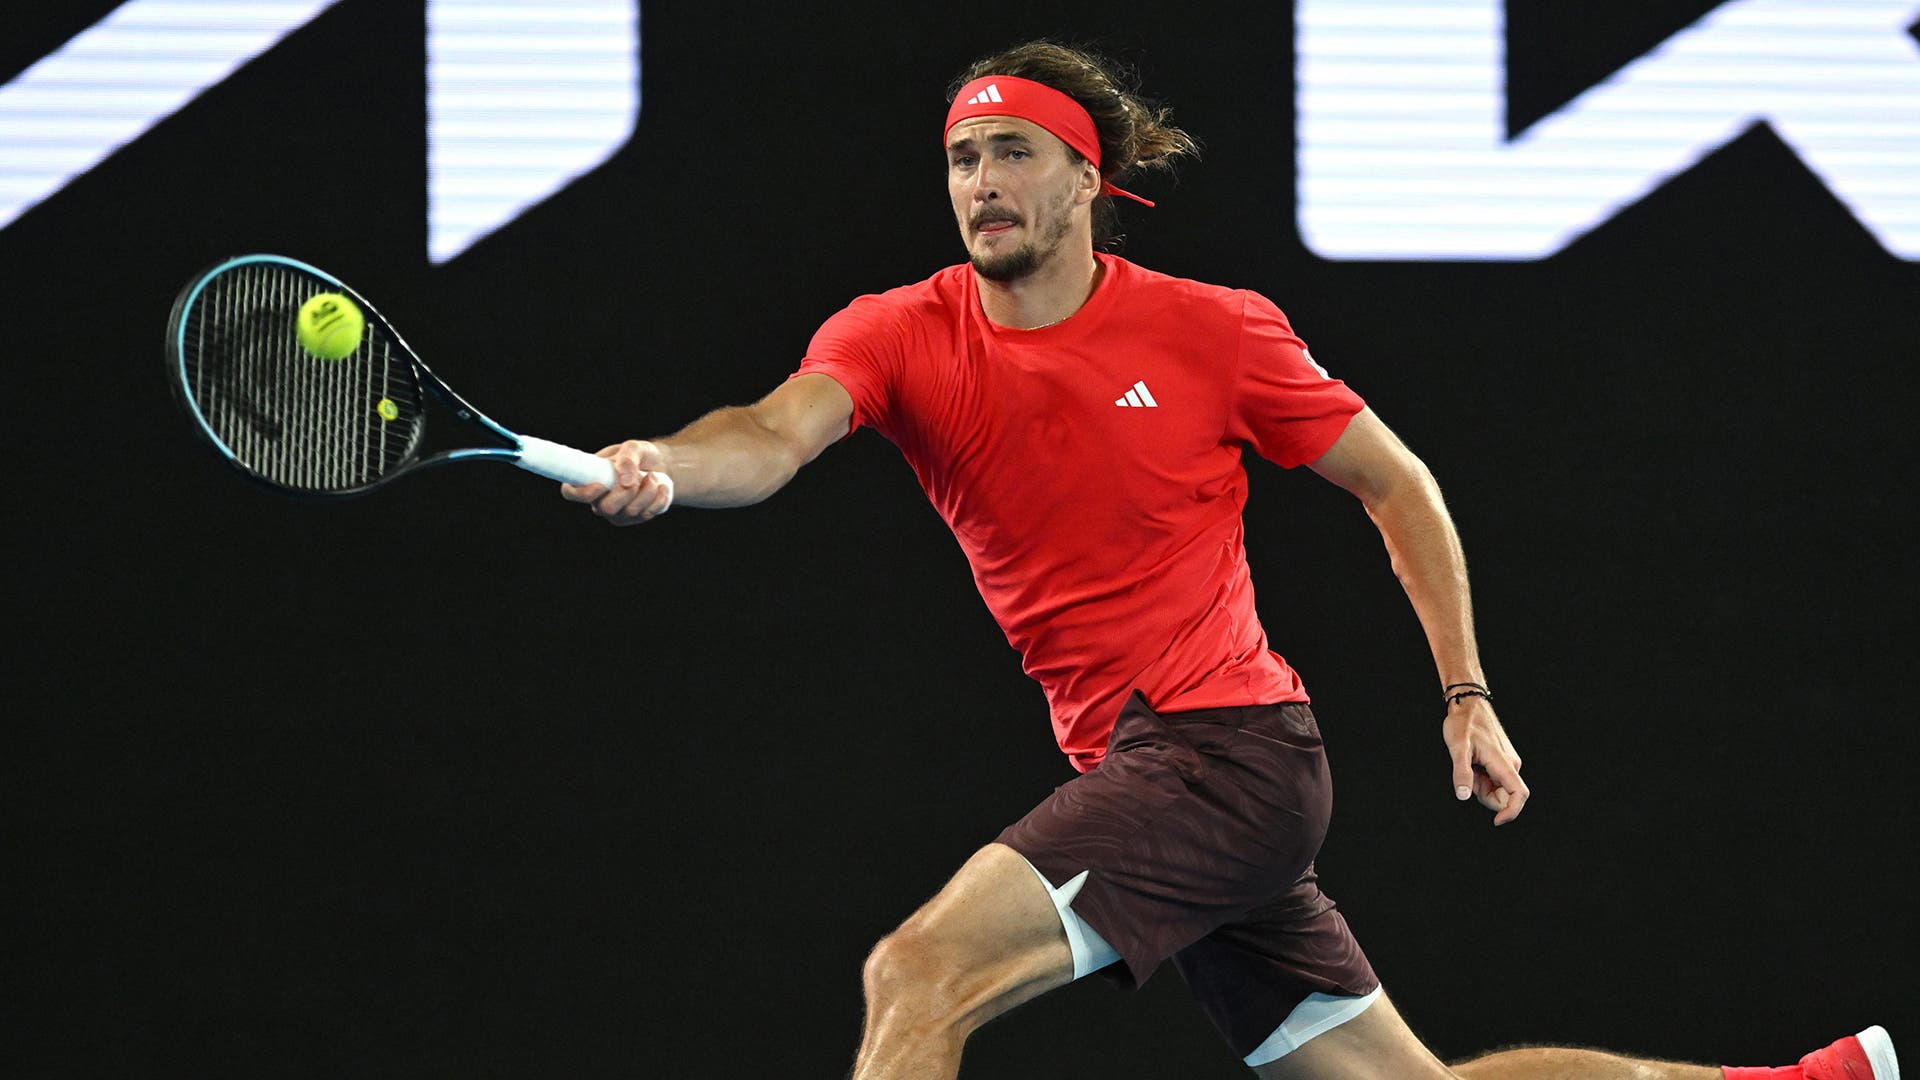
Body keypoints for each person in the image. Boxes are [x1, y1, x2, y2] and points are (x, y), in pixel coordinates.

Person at [561, 40, 1899, 1080]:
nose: (981, 186)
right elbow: (769, 435)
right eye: (964, 160)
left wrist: (1467, 692)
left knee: (919, 973)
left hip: (1223, 752)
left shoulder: (1214, 332)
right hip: (1163, 771)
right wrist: (667, 466)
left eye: (1015, 155)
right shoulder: (898, 333)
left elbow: (1399, 486)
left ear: (1087, 180)